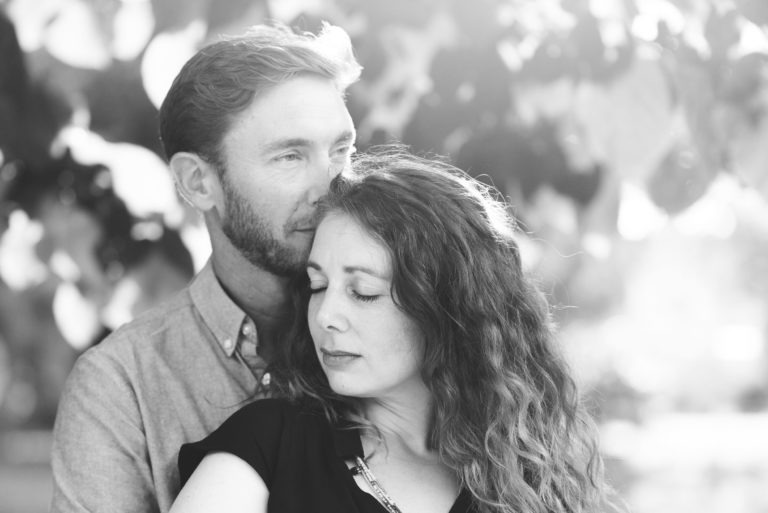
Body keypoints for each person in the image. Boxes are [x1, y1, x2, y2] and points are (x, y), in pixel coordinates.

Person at [170, 149, 607, 513]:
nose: (325, 316)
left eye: (363, 292)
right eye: (318, 285)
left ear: (445, 306)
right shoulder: (269, 444)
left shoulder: (524, 472)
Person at [50, 22, 361, 513]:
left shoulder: (413, 326)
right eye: (289, 156)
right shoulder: (121, 387)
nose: (332, 185)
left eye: (342, 150)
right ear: (198, 182)